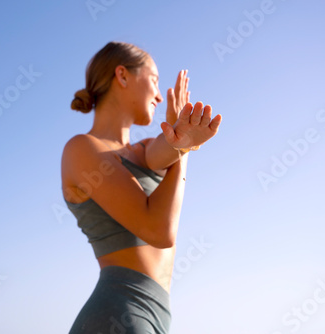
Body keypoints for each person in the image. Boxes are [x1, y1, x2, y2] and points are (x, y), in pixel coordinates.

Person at [61, 41, 222, 334]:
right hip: (116, 315)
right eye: (155, 80)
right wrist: (184, 149)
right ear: (122, 76)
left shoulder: (143, 149)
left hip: (154, 315)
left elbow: (163, 151)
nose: (161, 97)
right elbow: (159, 232)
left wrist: (180, 141)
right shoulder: (81, 149)